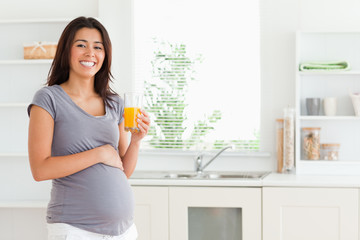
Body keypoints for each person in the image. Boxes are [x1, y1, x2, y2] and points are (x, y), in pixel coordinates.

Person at [27, 16, 150, 239]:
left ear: (105, 54)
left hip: (124, 230)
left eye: (97, 47)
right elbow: (40, 170)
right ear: (67, 51)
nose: (90, 53)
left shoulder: (115, 103)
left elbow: (123, 170)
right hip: (75, 229)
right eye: (81, 45)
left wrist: (136, 141)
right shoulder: (49, 99)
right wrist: (99, 153)